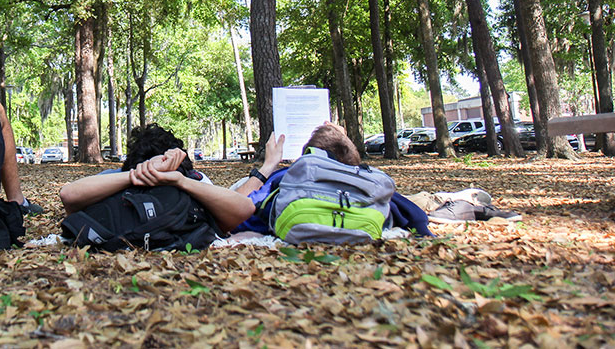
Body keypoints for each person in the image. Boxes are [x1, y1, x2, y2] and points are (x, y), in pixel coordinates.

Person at [232, 123, 432, 236]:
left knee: (240, 185)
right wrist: (344, 142)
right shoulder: (370, 183)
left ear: (308, 157)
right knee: (423, 198)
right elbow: (418, 219)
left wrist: (268, 167)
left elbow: (236, 210)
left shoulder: (286, 176)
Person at [59, 124, 254, 234]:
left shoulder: (189, 180)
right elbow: (68, 195)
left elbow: (243, 209)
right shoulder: (119, 178)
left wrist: (178, 180)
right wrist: (140, 174)